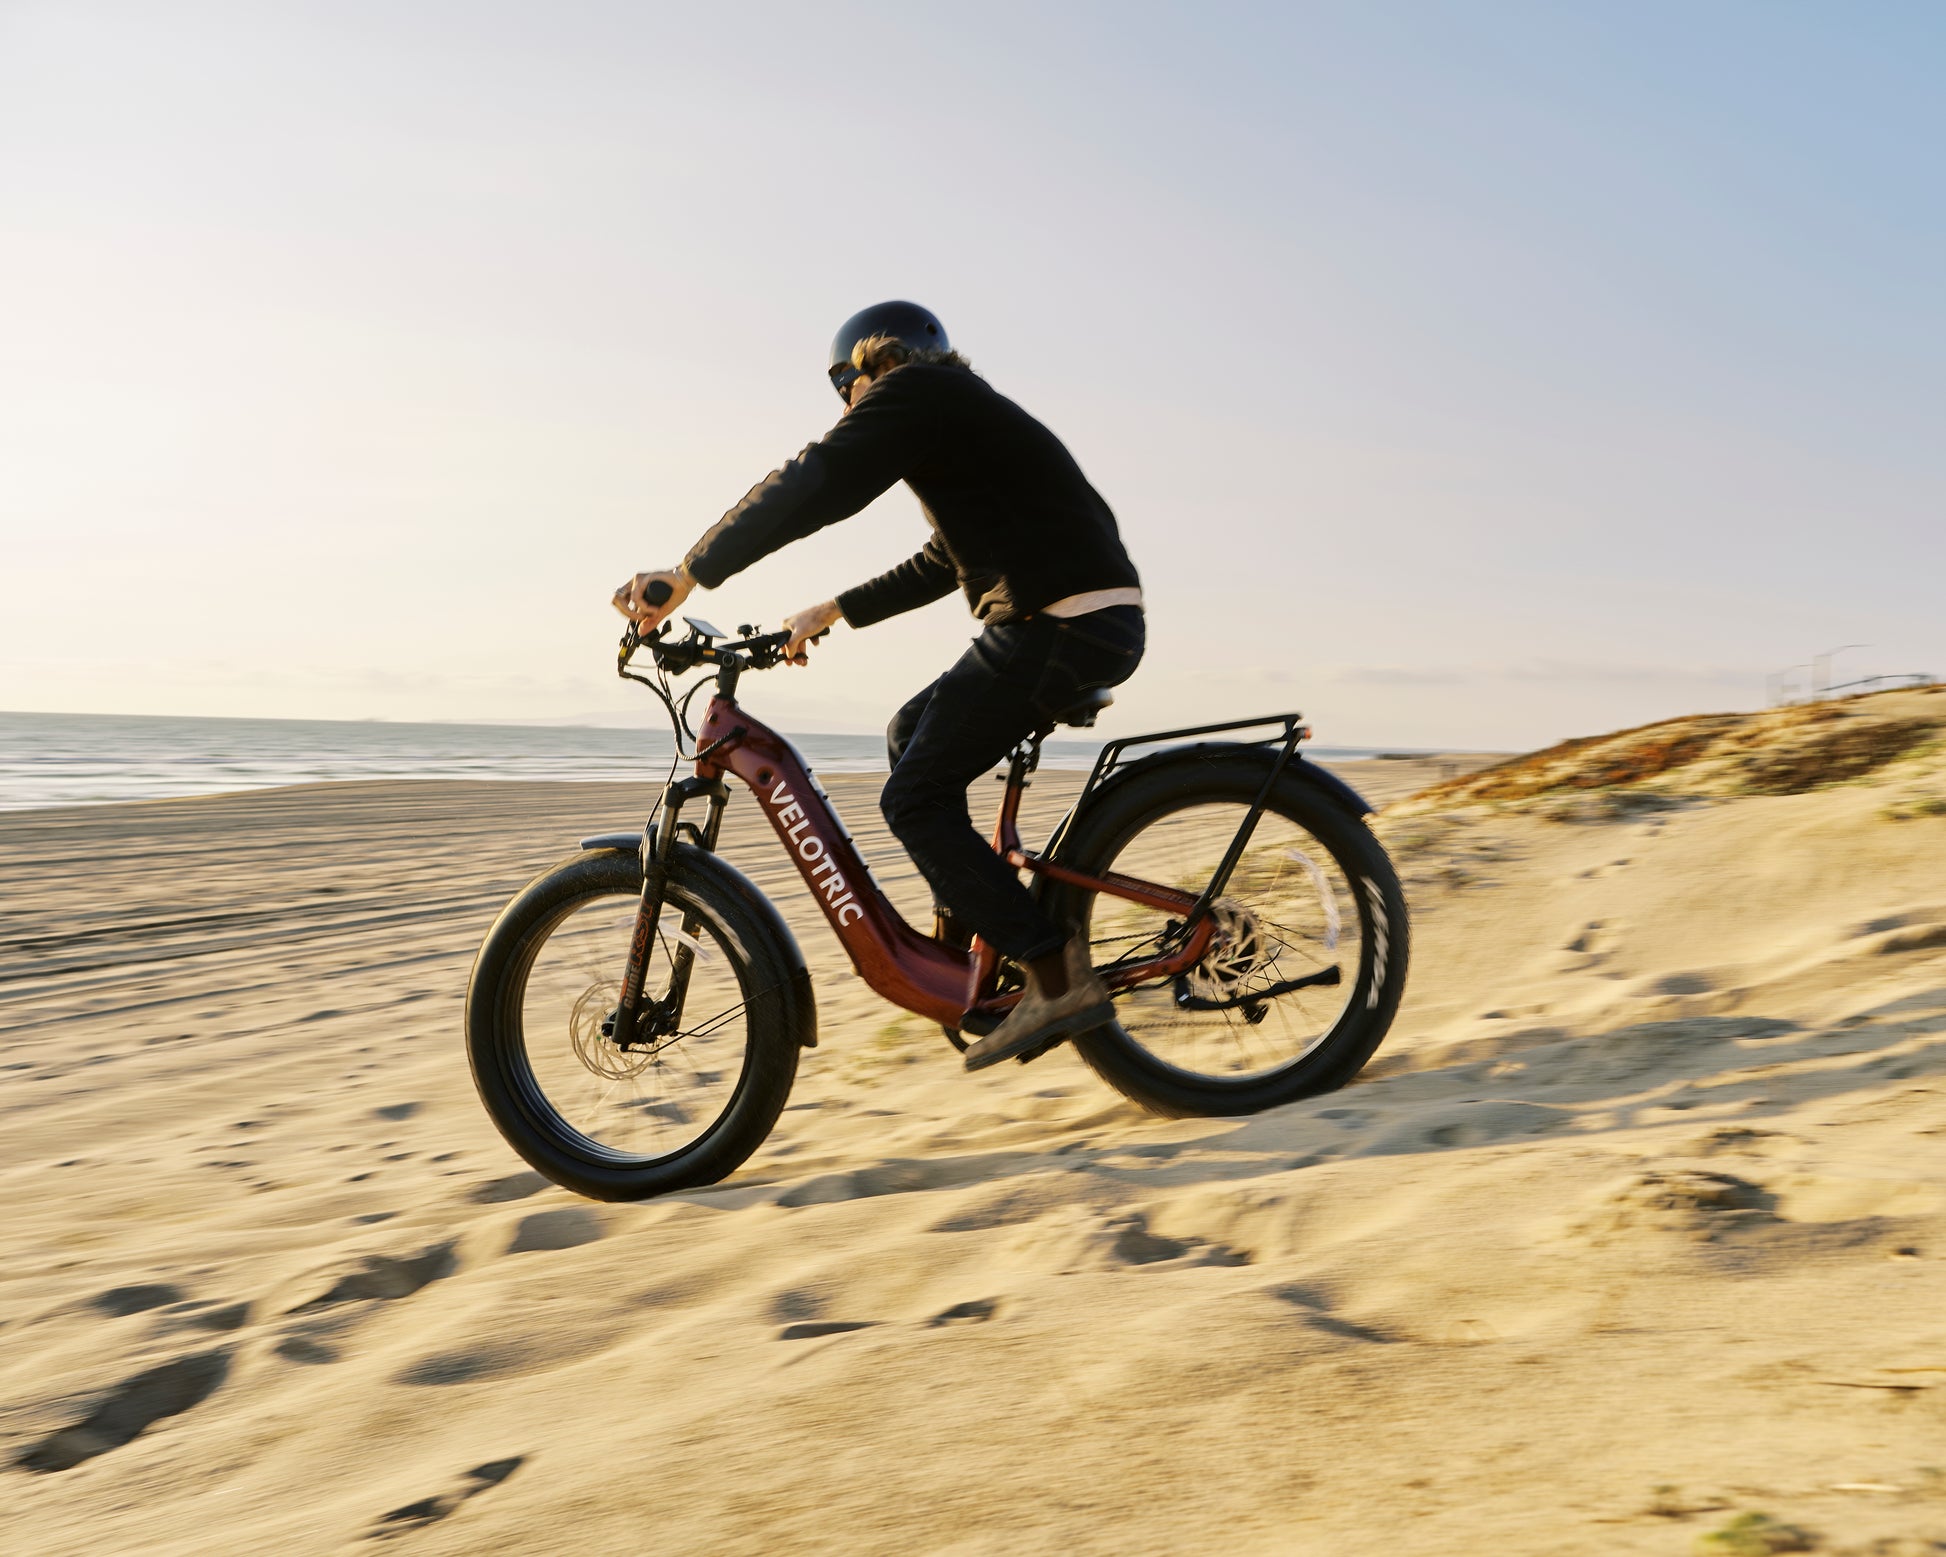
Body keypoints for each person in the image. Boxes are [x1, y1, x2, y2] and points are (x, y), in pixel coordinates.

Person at [614, 301, 1144, 1071]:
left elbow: (815, 477)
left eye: (843, 384)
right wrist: (832, 609)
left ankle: (1057, 976)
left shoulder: (916, 391)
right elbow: (944, 559)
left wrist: (690, 571)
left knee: (912, 799)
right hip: (1070, 620)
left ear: (871, 365)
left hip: (1058, 623)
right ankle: (970, 944)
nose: (846, 403)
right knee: (908, 735)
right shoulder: (965, 417)